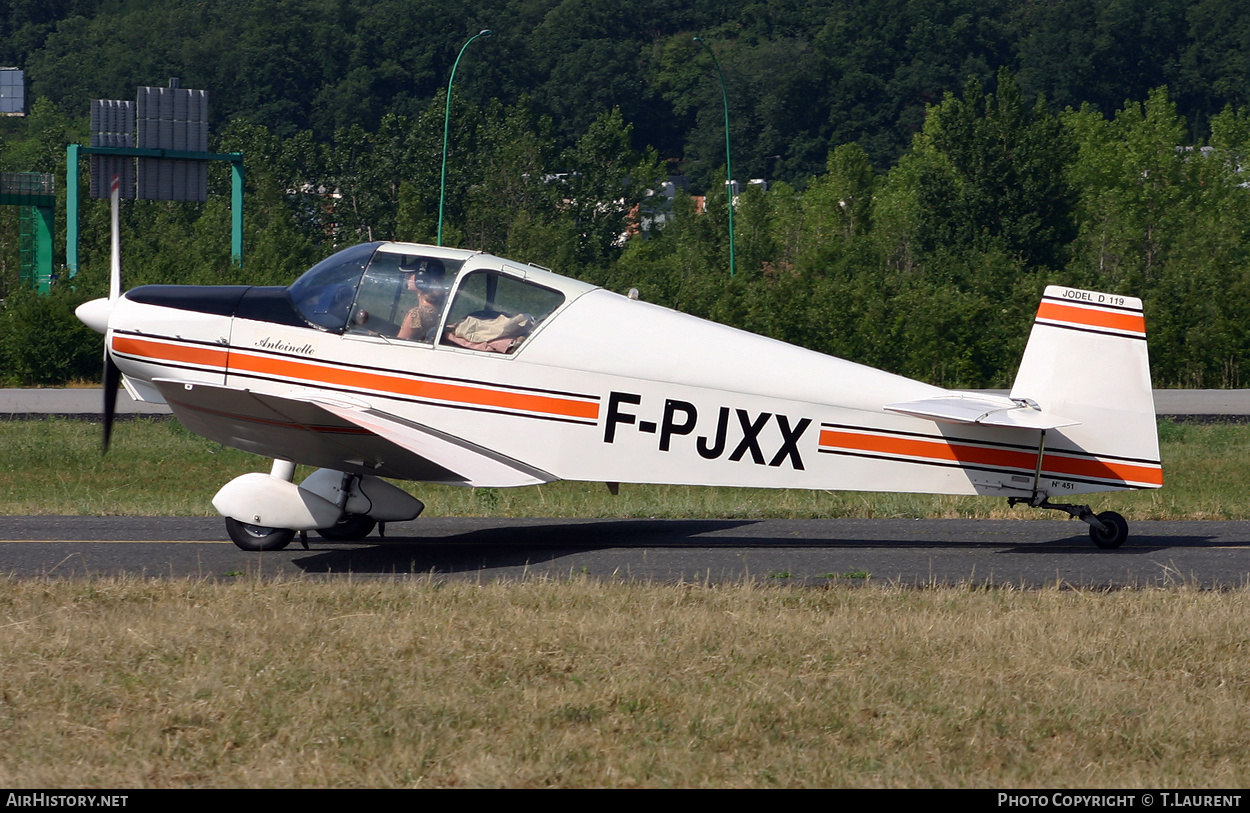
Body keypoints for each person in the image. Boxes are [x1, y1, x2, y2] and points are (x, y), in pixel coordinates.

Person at [397, 258, 446, 341]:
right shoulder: (439, 308)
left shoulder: (416, 314)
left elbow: (397, 344)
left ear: (422, 278)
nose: (407, 276)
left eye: (411, 274)